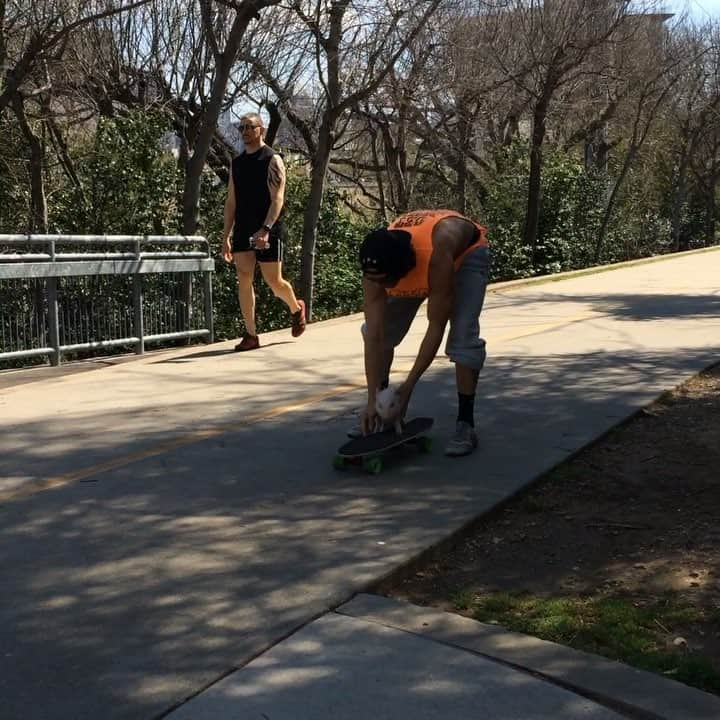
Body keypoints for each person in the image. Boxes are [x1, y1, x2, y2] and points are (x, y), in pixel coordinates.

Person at [358, 209, 490, 456]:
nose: (379, 288)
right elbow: (375, 336)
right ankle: (381, 410)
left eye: (385, 282)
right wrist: (371, 399)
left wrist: (408, 387)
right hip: (409, 262)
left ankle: (465, 423)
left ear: (402, 271)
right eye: (374, 282)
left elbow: (436, 326)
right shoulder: (375, 263)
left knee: (462, 339)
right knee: (382, 333)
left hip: (465, 257)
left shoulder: (437, 255)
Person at [222, 112, 306, 351]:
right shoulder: (236, 163)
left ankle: (296, 308)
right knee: (244, 279)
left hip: (268, 229)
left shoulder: (272, 159)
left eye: (250, 127)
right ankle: (251, 334)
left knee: (274, 282)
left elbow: (278, 198)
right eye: (242, 128)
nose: (246, 132)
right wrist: (225, 236)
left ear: (262, 130)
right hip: (243, 229)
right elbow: (231, 201)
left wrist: (266, 229)